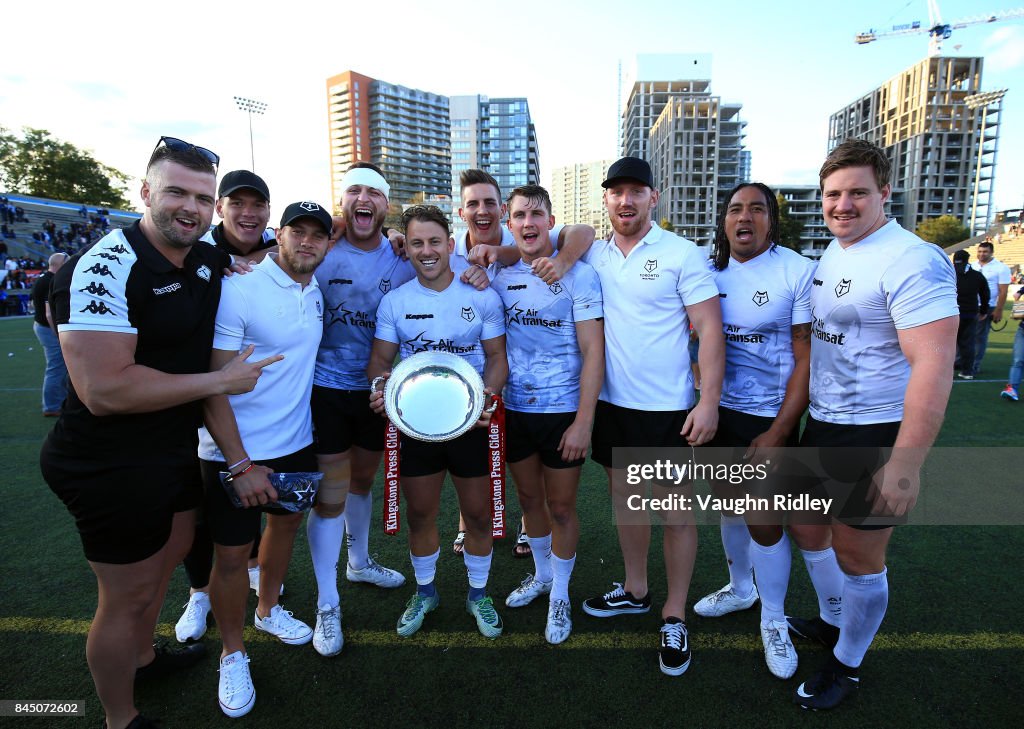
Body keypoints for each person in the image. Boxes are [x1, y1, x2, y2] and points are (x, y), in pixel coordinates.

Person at [39, 137, 279, 729]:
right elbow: (105, 391)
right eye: (176, 192)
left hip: (168, 451)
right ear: (144, 192)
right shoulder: (101, 266)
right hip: (108, 461)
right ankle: (120, 718)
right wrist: (217, 381)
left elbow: (256, 247)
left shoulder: (201, 256)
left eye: (203, 197)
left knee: (171, 556)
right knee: (130, 597)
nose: (191, 208)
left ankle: (145, 659)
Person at [790, 139, 957, 710]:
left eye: (858, 192)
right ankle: (835, 622)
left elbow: (933, 368)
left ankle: (847, 663)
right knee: (809, 532)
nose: (843, 205)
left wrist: (905, 466)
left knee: (859, 556)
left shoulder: (911, 259)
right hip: (827, 425)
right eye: (833, 194)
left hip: (876, 433)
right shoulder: (836, 253)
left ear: (884, 193)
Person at [689, 182, 844, 681]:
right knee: (728, 506)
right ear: (724, 220)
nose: (745, 217)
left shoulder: (795, 271)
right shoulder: (708, 272)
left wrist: (780, 430)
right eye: (735, 209)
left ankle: (772, 619)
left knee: (765, 521)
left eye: (757, 208)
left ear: (771, 220)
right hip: (717, 413)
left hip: (767, 419)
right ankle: (740, 587)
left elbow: (806, 360)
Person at [577, 157, 725, 677]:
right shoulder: (593, 254)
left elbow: (709, 329)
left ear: (653, 198)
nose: (625, 200)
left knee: (677, 515)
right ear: (607, 199)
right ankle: (636, 589)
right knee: (627, 505)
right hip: (615, 407)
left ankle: (674, 613)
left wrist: (707, 401)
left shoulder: (682, 254)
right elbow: (560, 235)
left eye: (635, 191)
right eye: (616, 192)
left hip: (668, 410)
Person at [199, 200, 333, 717]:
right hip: (234, 451)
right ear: (279, 236)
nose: (307, 242)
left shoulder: (313, 287)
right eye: (297, 232)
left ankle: (268, 608)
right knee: (233, 556)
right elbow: (213, 386)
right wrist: (240, 464)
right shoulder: (240, 289)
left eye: (317, 235)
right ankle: (232, 653)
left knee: (284, 529)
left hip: (296, 441)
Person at [367, 204, 508, 639]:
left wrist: (486, 398)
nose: (426, 251)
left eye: (434, 242)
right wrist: (379, 388)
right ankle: (425, 592)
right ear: (405, 248)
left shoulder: (480, 295)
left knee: (479, 516)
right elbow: (380, 361)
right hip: (418, 425)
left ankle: (478, 594)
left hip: (471, 424)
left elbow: (497, 358)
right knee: (421, 514)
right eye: (416, 243)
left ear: (450, 245)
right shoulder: (396, 301)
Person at [491, 184, 604, 644]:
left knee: (560, 506)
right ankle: (541, 575)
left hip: (562, 413)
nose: (529, 223)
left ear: (551, 220)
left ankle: (560, 592)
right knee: (530, 502)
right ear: (509, 221)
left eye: (537, 214)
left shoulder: (578, 274)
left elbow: (593, 351)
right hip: (515, 411)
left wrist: (583, 421)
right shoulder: (499, 274)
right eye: (520, 215)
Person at [307, 163, 411, 657]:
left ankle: (360, 561)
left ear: (386, 207)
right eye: (355, 190)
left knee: (363, 481)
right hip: (324, 387)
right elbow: (270, 253)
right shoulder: (320, 249)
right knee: (331, 493)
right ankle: (328, 604)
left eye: (374, 192)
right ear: (342, 201)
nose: (364, 198)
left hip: (377, 390)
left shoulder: (403, 255)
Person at [174, 168, 277, 644]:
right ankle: (197, 593)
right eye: (238, 203)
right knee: (197, 511)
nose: (248, 213)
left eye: (257, 205)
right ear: (220, 208)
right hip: (192, 395)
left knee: (255, 502)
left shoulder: (278, 246)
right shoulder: (196, 248)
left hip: (258, 401)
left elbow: (318, 238)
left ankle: (254, 572)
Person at [31, 252, 69, 416]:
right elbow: (48, 313)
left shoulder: (42, 279)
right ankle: (52, 406)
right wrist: (58, 334)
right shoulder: (50, 281)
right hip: (48, 329)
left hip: (42, 326)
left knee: (58, 366)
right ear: (60, 264)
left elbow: (34, 303)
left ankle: (58, 400)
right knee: (56, 367)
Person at [972, 240, 1010, 374]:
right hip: (969, 305)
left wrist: (998, 310)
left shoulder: (1001, 267)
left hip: (987, 306)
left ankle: (975, 364)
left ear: (992, 252)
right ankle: (961, 362)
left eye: (985, 251)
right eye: (980, 251)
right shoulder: (972, 265)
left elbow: (1003, 291)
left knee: (979, 337)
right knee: (964, 336)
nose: (982, 254)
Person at [951, 249, 990, 380]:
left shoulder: (949, 274)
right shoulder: (977, 276)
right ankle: (967, 371)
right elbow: (985, 295)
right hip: (969, 313)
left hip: (950, 314)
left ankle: (945, 370)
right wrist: (984, 311)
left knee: (948, 343)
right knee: (968, 343)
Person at [1000, 283, 1024, 401]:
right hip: (1023, 329)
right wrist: (1019, 293)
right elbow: (1018, 293)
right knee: (1017, 360)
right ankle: (1012, 389)